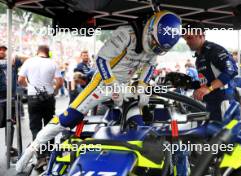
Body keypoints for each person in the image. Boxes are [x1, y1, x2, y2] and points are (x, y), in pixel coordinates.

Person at [16, 11, 182, 172]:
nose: (154, 48)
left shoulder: (156, 45)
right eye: (154, 43)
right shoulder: (126, 33)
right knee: (69, 118)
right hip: (102, 83)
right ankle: (32, 149)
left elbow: (150, 64)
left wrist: (143, 85)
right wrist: (112, 85)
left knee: (139, 128)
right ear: (150, 29)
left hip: (125, 85)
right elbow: (102, 59)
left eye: (159, 48)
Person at [17, 45, 63, 169]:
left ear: (37, 52)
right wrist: (55, 90)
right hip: (48, 97)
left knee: (35, 128)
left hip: (33, 97)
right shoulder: (53, 63)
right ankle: (50, 155)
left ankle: (41, 157)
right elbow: (60, 82)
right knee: (50, 126)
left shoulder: (29, 62)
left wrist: (28, 87)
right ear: (48, 53)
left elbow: (20, 79)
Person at [182, 22, 238, 121]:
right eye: (185, 39)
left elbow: (231, 70)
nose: (187, 42)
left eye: (190, 38)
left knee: (226, 133)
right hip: (211, 102)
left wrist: (209, 88)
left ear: (201, 36)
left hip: (224, 100)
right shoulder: (199, 56)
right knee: (213, 133)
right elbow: (204, 82)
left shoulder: (214, 50)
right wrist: (185, 82)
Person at [0, 44, 27, 158]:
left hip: (11, 98)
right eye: (0, 50)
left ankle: (9, 148)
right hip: (0, 99)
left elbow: (28, 59)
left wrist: (15, 54)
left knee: (10, 124)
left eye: (4, 50)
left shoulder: (12, 61)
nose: (2, 52)